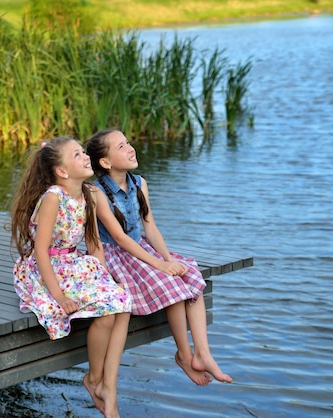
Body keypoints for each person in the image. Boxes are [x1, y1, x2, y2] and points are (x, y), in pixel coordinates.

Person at [85, 128, 233, 386]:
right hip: (117, 255)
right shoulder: (95, 192)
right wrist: (160, 265)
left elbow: (150, 226)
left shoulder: (140, 184)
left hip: (142, 248)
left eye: (128, 142)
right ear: (105, 163)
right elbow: (120, 238)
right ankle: (184, 356)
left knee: (191, 276)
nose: (130, 148)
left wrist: (169, 260)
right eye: (121, 147)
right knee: (170, 284)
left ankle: (202, 353)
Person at [9, 136, 132, 418]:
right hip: (46, 268)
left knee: (120, 300)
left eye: (82, 152)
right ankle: (94, 378)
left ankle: (100, 382)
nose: (85, 156)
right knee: (108, 312)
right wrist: (59, 296)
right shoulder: (53, 197)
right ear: (62, 171)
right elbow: (40, 251)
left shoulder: (88, 194)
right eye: (77, 155)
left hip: (73, 263)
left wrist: (105, 279)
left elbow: (94, 244)